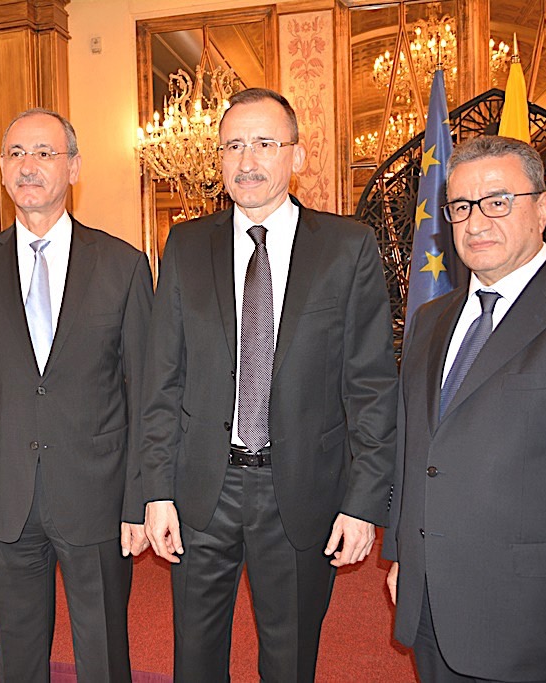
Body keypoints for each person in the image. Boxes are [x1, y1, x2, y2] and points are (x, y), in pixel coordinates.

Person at [140, 88, 398, 682]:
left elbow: (370, 386)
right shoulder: (186, 245)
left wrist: (362, 504)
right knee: (193, 660)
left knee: (289, 661)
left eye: (264, 143)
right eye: (233, 146)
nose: (247, 160)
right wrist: (156, 490)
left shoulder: (347, 247)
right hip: (202, 489)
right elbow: (162, 381)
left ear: (297, 156)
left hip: (302, 490)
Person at [385, 135, 546, 683]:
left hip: (532, 623)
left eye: (497, 201)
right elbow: (413, 449)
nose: (476, 222)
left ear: (542, 208)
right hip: (431, 604)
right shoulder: (430, 320)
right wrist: (402, 555)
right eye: (461, 206)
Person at [0, 108, 153, 682]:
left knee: (103, 656)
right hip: (4, 494)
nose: (27, 166)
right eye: (15, 154)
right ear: (1, 169)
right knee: (18, 656)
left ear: (73, 168)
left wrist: (139, 500)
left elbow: (144, 394)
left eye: (43, 153)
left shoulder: (123, 266)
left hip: (97, 495)